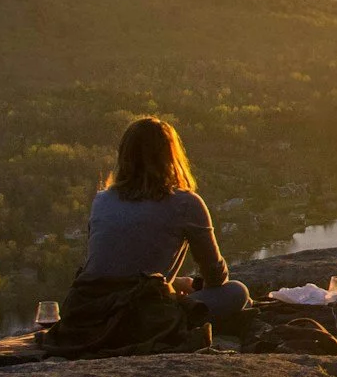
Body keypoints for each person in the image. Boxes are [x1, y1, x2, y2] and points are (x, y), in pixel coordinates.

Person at [79, 117, 250, 319]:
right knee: (237, 292)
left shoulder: (102, 200)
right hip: (142, 316)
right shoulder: (185, 203)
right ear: (171, 156)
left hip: (90, 312)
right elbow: (215, 277)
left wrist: (176, 282)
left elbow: (115, 269)